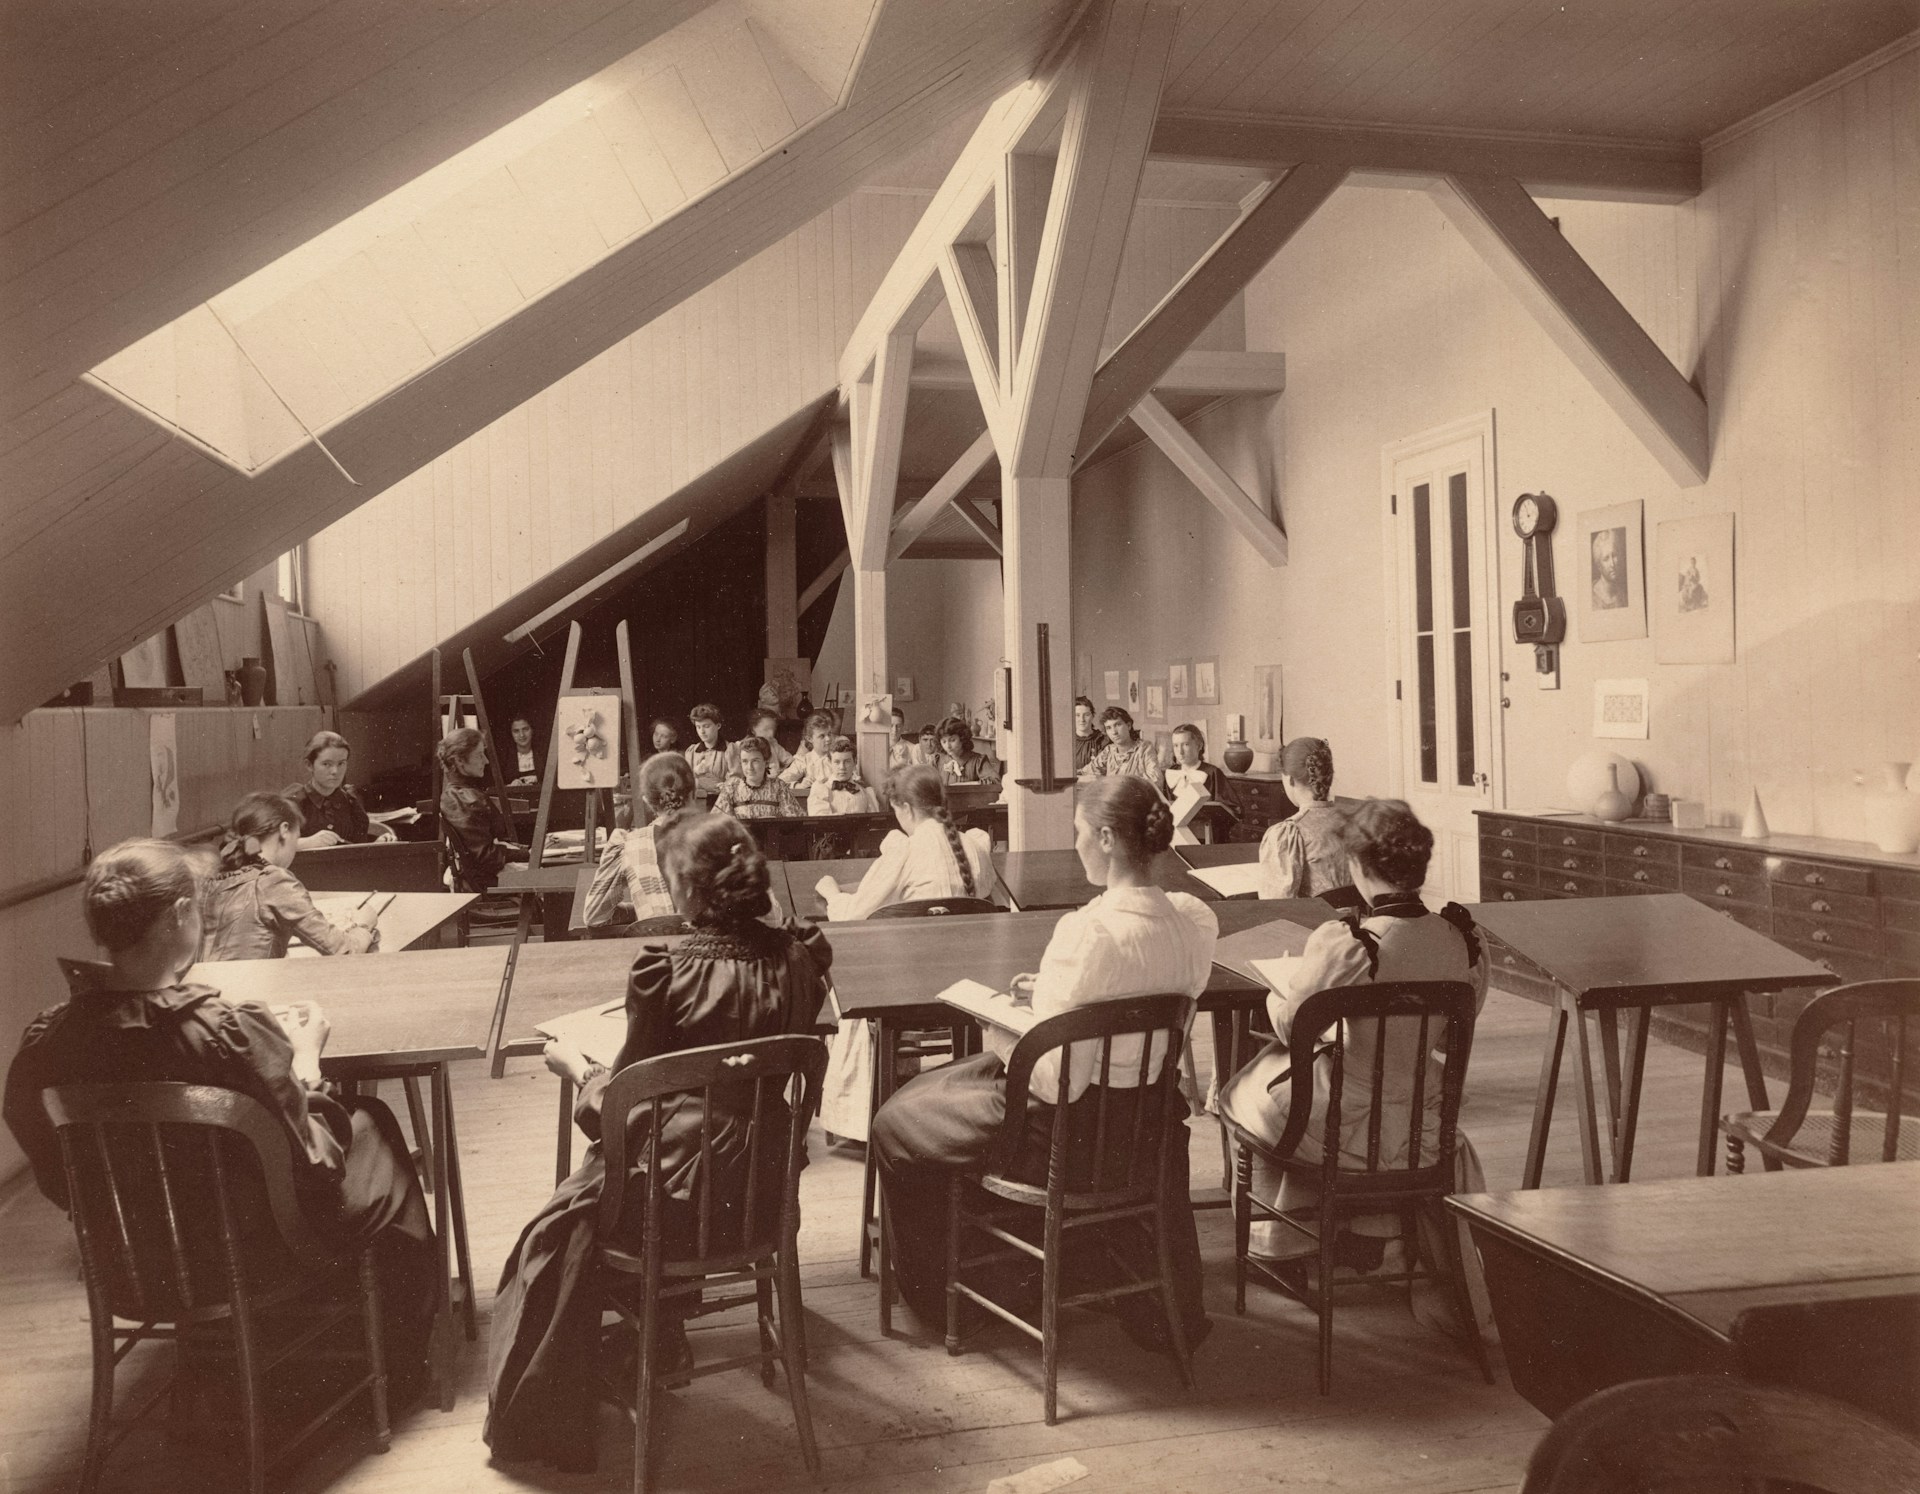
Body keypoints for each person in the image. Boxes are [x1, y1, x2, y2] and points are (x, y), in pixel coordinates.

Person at [4, 840, 436, 1404]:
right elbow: (315, 1164)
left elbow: (47, 1156)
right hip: (258, 1250)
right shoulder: (226, 1033)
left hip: (131, 1258)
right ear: (181, 915)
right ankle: (402, 1365)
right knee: (372, 1123)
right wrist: (305, 1062)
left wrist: (109, 1212)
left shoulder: (48, 1041)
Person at [486, 813, 833, 1471]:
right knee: (661, 1162)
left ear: (687, 891)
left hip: (671, 1204)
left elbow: (626, 1101)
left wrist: (580, 1071)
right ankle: (663, 1335)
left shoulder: (664, 970)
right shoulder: (799, 958)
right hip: (762, 1190)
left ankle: (636, 1347)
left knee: (556, 1232)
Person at [870, 775, 1215, 1355]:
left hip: (1063, 1133)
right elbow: (1116, 1006)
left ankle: (949, 1298)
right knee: (943, 1091)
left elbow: (1058, 1081)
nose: (1075, 842)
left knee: (896, 1120)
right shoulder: (1192, 922)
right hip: (1139, 1128)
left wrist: (998, 1022)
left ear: (1106, 838)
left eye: (1079, 832)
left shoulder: (1087, 932)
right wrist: (1051, 1003)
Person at [1219, 798, 1489, 1280]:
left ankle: (1279, 1245)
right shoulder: (1463, 938)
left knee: (1249, 1090)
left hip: (1343, 1129)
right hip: (1423, 1126)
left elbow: (1290, 1025)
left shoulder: (1348, 941)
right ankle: (1370, 1232)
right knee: (1325, 1076)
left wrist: (1280, 998)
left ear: (1359, 866)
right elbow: (1451, 1037)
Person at [202, 792, 380, 959]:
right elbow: (345, 950)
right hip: (252, 989)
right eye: (296, 838)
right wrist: (364, 925)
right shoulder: (275, 882)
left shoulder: (213, 877)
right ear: (284, 830)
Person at [817, 764, 1000, 921]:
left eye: (896, 810)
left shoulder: (903, 854)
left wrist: (832, 893)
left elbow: (850, 915)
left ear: (906, 809)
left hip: (912, 958)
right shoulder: (975, 846)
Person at [582, 752, 698, 927]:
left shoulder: (628, 844)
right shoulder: (724, 833)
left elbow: (595, 916)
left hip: (656, 949)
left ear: (647, 801)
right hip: (716, 949)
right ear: (693, 791)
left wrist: (643, 912)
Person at [1257, 737, 1351, 900]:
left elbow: (1275, 904)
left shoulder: (1288, 833)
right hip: (1354, 921)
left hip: (1313, 924)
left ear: (1290, 780)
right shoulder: (1353, 821)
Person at [438, 728, 524, 892]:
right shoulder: (461, 799)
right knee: (558, 876)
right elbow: (486, 856)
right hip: (488, 883)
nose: (485, 761)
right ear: (459, 761)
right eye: (479, 755)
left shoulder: (464, 794)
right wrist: (528, 854)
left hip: (489, 876)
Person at [285, 730, 394, 849]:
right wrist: (307, 842)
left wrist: (375, 846)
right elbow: (271, 848)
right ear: (309, 765)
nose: (335, 771)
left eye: (341, 763)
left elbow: (357, 849)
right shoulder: (294, 801)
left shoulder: (350, 802)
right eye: (327, 764)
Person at [713, 735, 801, 820]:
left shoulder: (779, 787)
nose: (749, 767)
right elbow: (715, 824)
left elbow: (795, 821)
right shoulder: (731, 788)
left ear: (766, 762)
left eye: (755, 761)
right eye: (745, 761)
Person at [1084, 705, 1160, 785]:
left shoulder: (1144, 748)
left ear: (1128, 726)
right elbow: (1086, 771)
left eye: (1118, 725)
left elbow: (1156, 780)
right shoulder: (1109, 750)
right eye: (1109, 728)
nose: (1114, 732)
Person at [807, 735, 879, 815]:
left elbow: (874, 823)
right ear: (830, 763)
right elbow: (821, 822)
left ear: (855, 762)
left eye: (847, 761)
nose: (842, 767)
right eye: (837, 762)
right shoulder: (820, 789)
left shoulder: (865, 791)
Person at [778, 710, 837, 798]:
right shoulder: (804, 760)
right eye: (822, 736)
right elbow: (780, 781)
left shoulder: (837, 757)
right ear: (809, 739)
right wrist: (799, 786)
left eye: (829, 734)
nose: (828, 739)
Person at [935, 715, 1000, 789]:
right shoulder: (937, 760)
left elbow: (996, 781)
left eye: (952, 740)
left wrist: (975, 784)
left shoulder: (978, 761)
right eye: (944, 742)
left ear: (962, 738)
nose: (948, 746)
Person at [730, 706, 793, 776]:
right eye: (766, 729)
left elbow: (790, 761)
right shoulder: (739, 747)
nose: (771, 734)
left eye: (773, 730)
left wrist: (781, 772)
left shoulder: (773, 744)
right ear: (753, 729)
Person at [686, 703, 728, 800]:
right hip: (696, 803)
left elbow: (733, 783)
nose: (702, 731)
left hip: (722, 803)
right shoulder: (691, 751)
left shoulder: (729, 750)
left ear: (718, 725)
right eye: (698, 727)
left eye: (706, 726)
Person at [506, 716, 540, 786]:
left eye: (525, 729)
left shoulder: (544, 754)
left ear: (532, 730)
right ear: (511, 734)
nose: (521, 735)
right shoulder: (505, 758)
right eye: (516, 731)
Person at [1072, 695, 1101, 774]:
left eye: (1086, 715)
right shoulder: (1067, 741)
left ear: (1092, 716)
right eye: (1077, 715)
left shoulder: (1103, 740)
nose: (1082, 719)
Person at [888, 706, 915, 770]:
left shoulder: (912, 748)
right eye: (891, 725)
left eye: (898, 726)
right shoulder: (877, 748)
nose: (894, 730)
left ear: (903, 726)